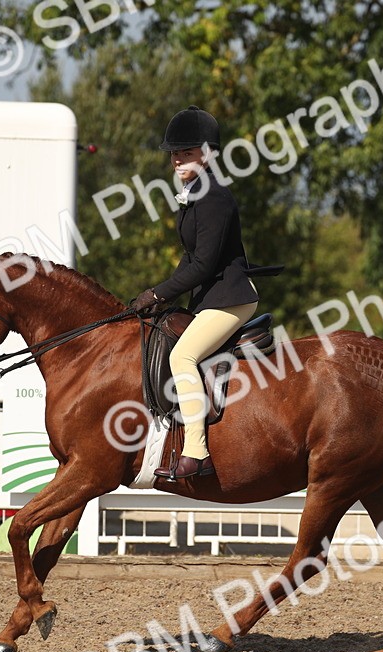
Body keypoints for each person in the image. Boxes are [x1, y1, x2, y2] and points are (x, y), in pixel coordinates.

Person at [130, 106, 259, 479]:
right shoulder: (193, 193)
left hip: (232, 299)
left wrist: (156, 294)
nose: (176, 159)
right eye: (174, 153)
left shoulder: (214, 196)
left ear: (207, 153)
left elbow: (203, 264)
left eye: (185, 152)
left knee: (183, 356)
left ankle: (197, 452)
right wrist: (162, 296)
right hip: (209, 297)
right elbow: (189, 261)